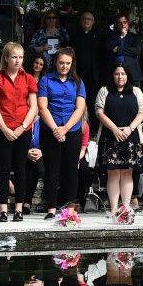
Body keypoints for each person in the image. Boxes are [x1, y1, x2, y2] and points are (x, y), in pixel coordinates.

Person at [0, 42, 39, 222]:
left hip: (23, 129)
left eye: (20, 57)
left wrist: (21, 127)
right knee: (3, 170)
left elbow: (34, 107)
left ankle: (18, 209)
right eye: (14, 57)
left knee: (20, 169)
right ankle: (2, 210)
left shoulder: (29, 78)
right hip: (3, 128)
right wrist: (5, 129)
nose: (18, 61)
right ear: (6, 58)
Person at [37, 48, 86, 219]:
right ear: (55, 62)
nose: (64, 66)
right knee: (52, 170)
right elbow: (42, 107)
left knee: (71, 169)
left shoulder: (78, 82)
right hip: (50, 129)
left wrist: (65, 129)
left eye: (68, 63)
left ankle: (70, 209)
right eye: (61, 62)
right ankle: (51, 208)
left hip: (72, 130)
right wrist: (56, 129)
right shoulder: (45, 80)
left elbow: (80, 108)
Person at [95, 64, 143, 213]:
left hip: (131, 137)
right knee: (113, 173)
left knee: (127, 172)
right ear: (112, 75)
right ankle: (113, 209)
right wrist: (115, 129)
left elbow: (142, 112)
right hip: (110, 136)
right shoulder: (104, 91)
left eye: (123, 73)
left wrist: (130, 128)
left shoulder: (136, 91)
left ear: (128, 75)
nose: (120, 76)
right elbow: (99, 112)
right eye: (117, 73)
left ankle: (125, 207)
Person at [69, 12, 104, 116]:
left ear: (93, 22)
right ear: (80, 21)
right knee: (79, 99)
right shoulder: (74, 35)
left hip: (94, 76)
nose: (86, 21)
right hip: (78, 74)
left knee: (93, 100)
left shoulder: (99, 35)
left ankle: (93, 128)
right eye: (84, 19)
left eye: (89, 19)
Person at [105, 13, 143, 86]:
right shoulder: (111, 37)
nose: (123, 25)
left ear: (128, 23)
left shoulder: (134, 37)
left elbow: (136, 51)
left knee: (134, 95)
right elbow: (109, 49)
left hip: (132, 73)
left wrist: (118, 49)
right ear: (116, 25)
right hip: (115, 73)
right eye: (120, 23)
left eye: (125, 22)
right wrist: (122, 37)